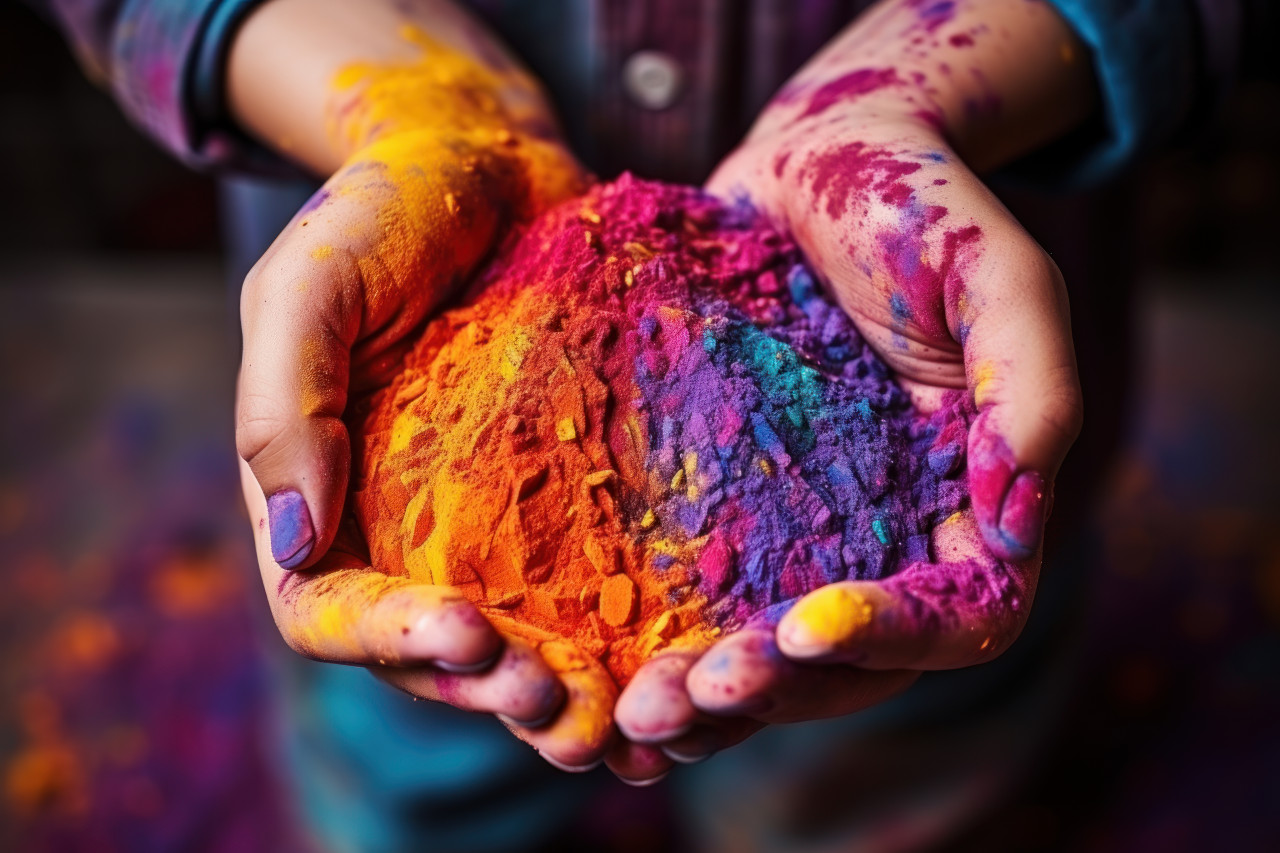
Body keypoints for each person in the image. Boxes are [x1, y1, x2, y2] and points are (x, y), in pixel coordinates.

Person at [30, 0, 1261, 849]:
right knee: (404, 768)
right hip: (405, 372)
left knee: (884, 773)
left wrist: (920, 85)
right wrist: (406, 104)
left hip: (923, 328)